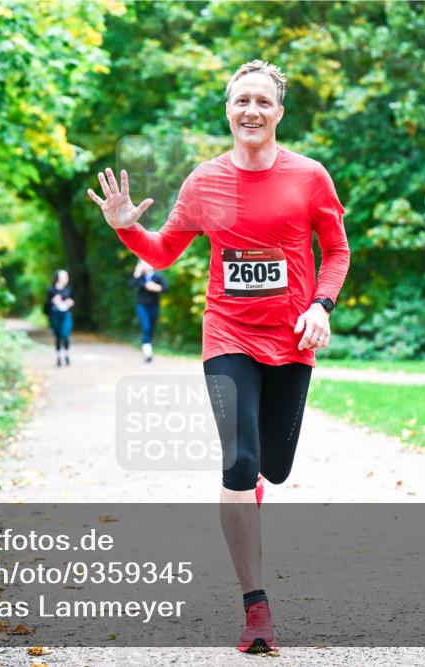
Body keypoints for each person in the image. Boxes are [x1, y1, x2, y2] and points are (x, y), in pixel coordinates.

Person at [87, 60, 350, 653]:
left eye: (263, 101)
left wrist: (321, 306)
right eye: (241, 101)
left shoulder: (309, 177)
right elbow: (160, 253)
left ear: (279, 112)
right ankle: (256, 610)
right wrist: (125, 227)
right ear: (228, 110)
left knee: (273, 467)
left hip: (292, 340)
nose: (251, 111)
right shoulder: (203, 183)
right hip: (227, 335)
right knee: (239, 460)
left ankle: (253, 484)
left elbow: (336, 251)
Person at [130, 259, 168, 362]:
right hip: (141, 305)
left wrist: (156, 288)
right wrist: (137, 272)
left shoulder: (157, 277)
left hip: (154, 305)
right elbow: (131, 285)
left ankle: (147, 347)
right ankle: (147, 353)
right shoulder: (140, 277)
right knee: (145, 326)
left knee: (151, 328)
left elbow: (166, 288)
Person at [44, 269, 75, 367]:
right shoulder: (51, 290)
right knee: (58, 335)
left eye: (67, 277)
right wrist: (53, 301)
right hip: (55, 314)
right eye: (64, 277)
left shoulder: (68, 289)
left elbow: (72, 301)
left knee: (65, 334)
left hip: (66, 314)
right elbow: (46, 305)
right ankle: (59, 356)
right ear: (58, 278)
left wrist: (70, 303)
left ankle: (67, 354)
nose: (66, 279)